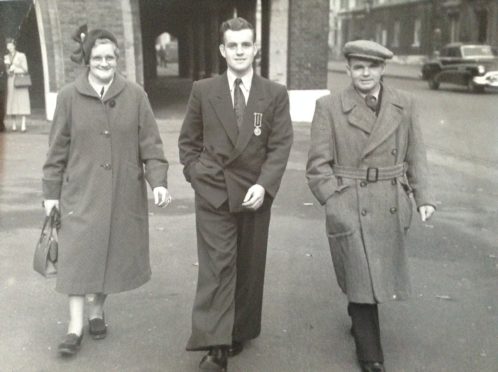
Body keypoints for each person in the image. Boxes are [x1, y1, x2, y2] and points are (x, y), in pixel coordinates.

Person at [306, 40, 436, 372]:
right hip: (349, 199)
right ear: (348, 69)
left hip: (392, 198)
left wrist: (423, 198)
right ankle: (371, 354)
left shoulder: (405, 104)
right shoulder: (329, 106)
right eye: (358, 66)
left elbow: (415, 154)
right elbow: (318, 165)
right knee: (362, 272)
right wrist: (333, 200)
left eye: (372, 66)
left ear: (383, 69)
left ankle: (356, 311)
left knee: (372, 271)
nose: (365, 73)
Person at [42, 26, 171, 357]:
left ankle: (97, 310)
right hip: (79, 193)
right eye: (97, 57)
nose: (103, 62)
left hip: (122, 193)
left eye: (109, 57)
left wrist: (158, 182)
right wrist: (51, 194)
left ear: (117, 59)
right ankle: (74, 328)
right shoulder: (69, 96)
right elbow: (56, 151)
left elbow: (151, 145)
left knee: (112, 253)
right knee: (76, 257)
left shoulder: (136, 95)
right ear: (88, 61)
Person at [178, 17, 293, 372]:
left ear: (255, 49)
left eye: (246, 45)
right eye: (233, 45)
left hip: (254, 194)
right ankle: (217, 345)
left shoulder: (273, 94)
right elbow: (188, 143)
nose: (240, 51)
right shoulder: (203, 90)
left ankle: (239, 329)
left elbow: (279, 145)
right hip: (213, 193)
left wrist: (265, 185)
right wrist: (198, 177)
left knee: (248, 266)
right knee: (217, 267)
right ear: (222, 50)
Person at [4, 38, 31, 132]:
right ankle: (14, 125)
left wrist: (16, 67)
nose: (9, 46)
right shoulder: (6, 57)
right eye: (7, 45)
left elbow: (26, 69)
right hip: (11, 81)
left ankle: (23, 124)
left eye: (10, 44)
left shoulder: (21, 55)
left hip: (20, 80)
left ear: (14, 45)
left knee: (23, 101)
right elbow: (7, 71)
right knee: (12, 102)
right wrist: (9, 70)